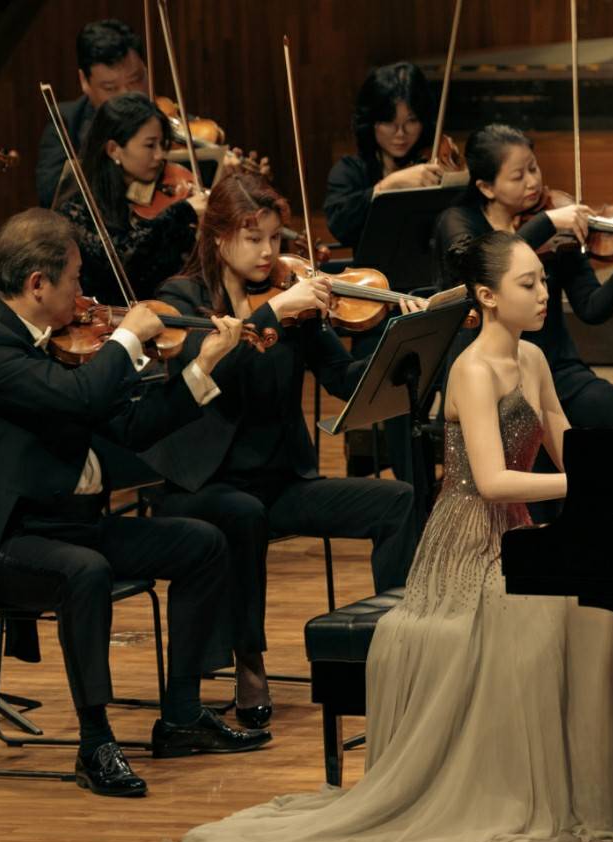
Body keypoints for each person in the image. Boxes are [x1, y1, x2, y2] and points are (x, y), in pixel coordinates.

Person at [172, 230, 613, 842]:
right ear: (487, 296)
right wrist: (585, 487)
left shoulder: (534, 359)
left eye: (543, 281)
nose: (544, 294)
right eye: (528, 284)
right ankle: (527, 788)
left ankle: (596, 786)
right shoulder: (472, 370)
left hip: (519, 531)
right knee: (552, 621)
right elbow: (490, 481)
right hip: (468, 543)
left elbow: (565, 437)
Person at [0, 207, 269, 798]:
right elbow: (81, 398)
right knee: (85, 573)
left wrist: (203, 365)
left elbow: (133, 427)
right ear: (39, 284)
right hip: (11, 541)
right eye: (76, 278)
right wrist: (127, 337)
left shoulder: (65, 346)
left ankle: (182, 716)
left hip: (76, 525)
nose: (83, 293)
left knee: (203, 544)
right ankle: (95, 743)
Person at [141, 174, 420, 730]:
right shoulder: (183, 298)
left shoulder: (293, 297)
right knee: (243, 514)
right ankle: (249, 659)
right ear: (217, 238)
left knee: (398, 501)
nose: (269, 251)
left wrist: (396, 342)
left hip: (280, 481)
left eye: (274, 237)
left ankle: (398, 648)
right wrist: (273, 313)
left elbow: (341, 377)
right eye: (254, 239)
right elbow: (208, 372)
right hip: (203, 485)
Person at [433, 124, 613, 518]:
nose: (532, 181)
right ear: (486, 187)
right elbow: (480, 263)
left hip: (551, 363)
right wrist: (547, 222)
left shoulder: (558, 221)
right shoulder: (460, 222)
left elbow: (591, 308)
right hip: (492, 364)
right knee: (528, 434)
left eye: (534, 168)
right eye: (518, 175)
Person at [56, 92, 204, 305]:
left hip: (172, 309)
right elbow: (122, 259)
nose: (160, 155)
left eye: (163, 144)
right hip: (108, 317)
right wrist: (182, 212)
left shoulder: (166, 191)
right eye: (150, 145)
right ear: (114, 150)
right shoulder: (77, 209)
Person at [323, 62, 443, 248]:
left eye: (411, 121)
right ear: (370, 122)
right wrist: (388, 185)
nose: (401, 133)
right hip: (373, 267)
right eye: (388, 122)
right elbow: (341, 228)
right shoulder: (350, 171)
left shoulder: (434, 162)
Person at [36, 19, 148, 208]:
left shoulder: (169, 121)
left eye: (135, 80)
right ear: (84, 81)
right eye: (110, 88)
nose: (127, 96)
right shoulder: (66, 122)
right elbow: (50, 194)